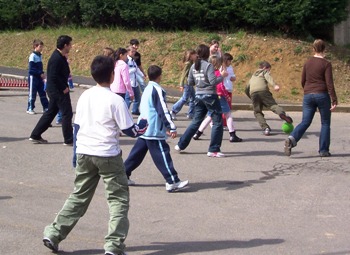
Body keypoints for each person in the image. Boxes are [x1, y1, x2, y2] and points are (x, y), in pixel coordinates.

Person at [42, 55, 148, 255]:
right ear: (112, 74)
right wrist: (143, 125)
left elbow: (77, 126)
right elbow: (130, 131)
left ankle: (54, 233)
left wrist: (75, 152)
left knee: (79, 196)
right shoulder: (115, 100)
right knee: (118, 199)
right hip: (107, 153)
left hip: (84, 150)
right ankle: (114, 245)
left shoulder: (85, 96)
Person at [124, 65, 189, 192]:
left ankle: (123, 175)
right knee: (162, 153)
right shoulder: (157, 90)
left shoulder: (147, 88)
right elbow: (162, 110)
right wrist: (171, 126)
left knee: (136, 155)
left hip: (144, 127)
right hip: (153, 128)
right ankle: (172, 180)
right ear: (160, 76)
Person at [284, 39, 337, 157]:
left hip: (308, 95)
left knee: (305, 121)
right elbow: (329, 83)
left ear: (313, 49)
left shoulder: (307, 63)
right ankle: (323, 150)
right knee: (325, 123)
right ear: (324, 49)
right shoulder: (326, 64)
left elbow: (303, 80)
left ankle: (292, 139)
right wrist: (334, 99)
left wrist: (307, 90)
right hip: (322, 95)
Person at [175, 44, 228, 158]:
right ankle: (213, 149)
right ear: (207, 54)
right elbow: (213, 81)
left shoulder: (194, 66)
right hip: (210, 96)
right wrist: (222, 76)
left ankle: (181, 144)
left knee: (196, 121)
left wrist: (200, 82)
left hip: (198, 95)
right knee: (217, 122)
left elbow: (190, 82)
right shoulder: (208, 66)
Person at [29, 35, 74, 145]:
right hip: (58, 90)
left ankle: (35, 135)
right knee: (67, 113)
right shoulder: (56, 58)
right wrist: (63, 87)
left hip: (56, 89)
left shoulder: (60, 56)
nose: (71, 47)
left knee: (51, 112)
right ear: (65, 45)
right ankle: (68, 139)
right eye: (70, 44)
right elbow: (53, 76)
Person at [192, 55, 242, 143]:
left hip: (210, 96)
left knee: (210, 115)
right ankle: (232, 134)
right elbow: (221, 86)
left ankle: (198, 133)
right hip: (220, 96)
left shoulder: (208, 72)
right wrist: (226, 95)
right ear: (218, 64)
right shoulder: (219, 73)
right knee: (228, 114)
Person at [246, 61, 293, 136]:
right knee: (273, 105)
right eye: (269, 70)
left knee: (257, 112)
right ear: (265, 68)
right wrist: (274, 85)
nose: (269, 72)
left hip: (253, 93)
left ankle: (265, 128)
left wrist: (251, 97)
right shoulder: (264, 72)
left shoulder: (252, 76)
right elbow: (268, 78)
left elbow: (246, 89)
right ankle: (281, 114)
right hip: (263, 91)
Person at [170, 49, 197, 120]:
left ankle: (191, 114)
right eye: (194, 54)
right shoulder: (188, 64)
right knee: (185, 98)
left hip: (190, 83)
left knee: (193, 98)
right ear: (191, 56)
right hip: (187, 83)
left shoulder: (192, 63)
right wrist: (181, 85)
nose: (196, 55)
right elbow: (183, 74)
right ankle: (173, 111)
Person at [26, 39, 49, 114]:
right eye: (40, 47)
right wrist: (40, 73)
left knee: (42, 92)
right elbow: (31, 69)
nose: (41, 48)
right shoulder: (32, 56)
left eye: (42, 47)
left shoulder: (40, 56)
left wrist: (42, 73)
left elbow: (40, 67)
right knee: (33, 93)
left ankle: (46, 107)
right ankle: (30, 108)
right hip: (33, 77)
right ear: (35, 46)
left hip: (39, 77)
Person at [125, 45, 144, 115]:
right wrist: (133, 70)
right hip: (129, 83)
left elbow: (137, 69)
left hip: (135, 83)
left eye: (134, 52)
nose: (133, 53)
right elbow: (126, 72)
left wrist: (142, 75)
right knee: (128, 99)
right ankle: (125, 112)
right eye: (132, 52)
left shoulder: (133, 61)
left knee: (138, 98)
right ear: (128, 52)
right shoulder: (126, 61)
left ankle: (135, 110)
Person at [56, 53, 74, 125]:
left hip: (64, 87)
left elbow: (69, 75)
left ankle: (61, 118)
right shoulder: (60, 63)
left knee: (63, 104)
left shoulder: (66, 64)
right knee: (61, 104)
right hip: (60, 87)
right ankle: (60, 118)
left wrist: (71, 83)